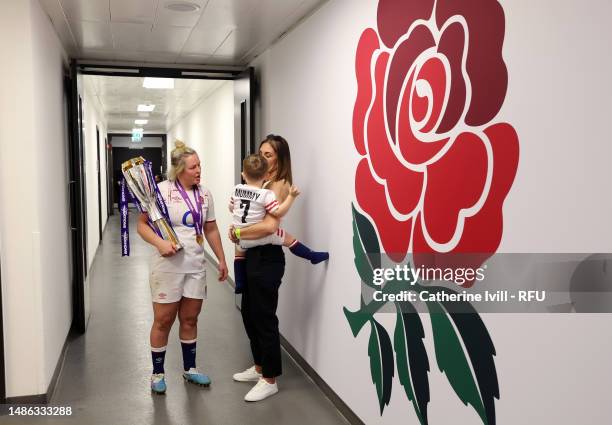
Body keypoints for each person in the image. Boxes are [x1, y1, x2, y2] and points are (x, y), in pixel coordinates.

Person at [229, 134, 327, 402]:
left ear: (280, 159)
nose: (262, 158)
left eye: (268, 155)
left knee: (264, 317)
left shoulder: (280, 186)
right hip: (251, 256)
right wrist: (241, 230)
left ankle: (269, 379)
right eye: (260, 153)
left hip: (267, 259)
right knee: (248, 313)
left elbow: (270, 227)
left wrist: (238, 231)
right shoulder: (258, 184)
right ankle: (259, 366)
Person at [137, 140, 228, 394]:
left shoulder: (205, 194)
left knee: (190, 318)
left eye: (200, 165)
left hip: (195, 266)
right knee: (163, 320)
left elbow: (210, 228)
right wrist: (160, 243)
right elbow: (142, 225)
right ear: (179, 170)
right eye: (193, 167)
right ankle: (157, 374)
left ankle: (190, 369)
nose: (199, 170)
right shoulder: (161, 191)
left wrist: (221, 258)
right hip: (167, 266)